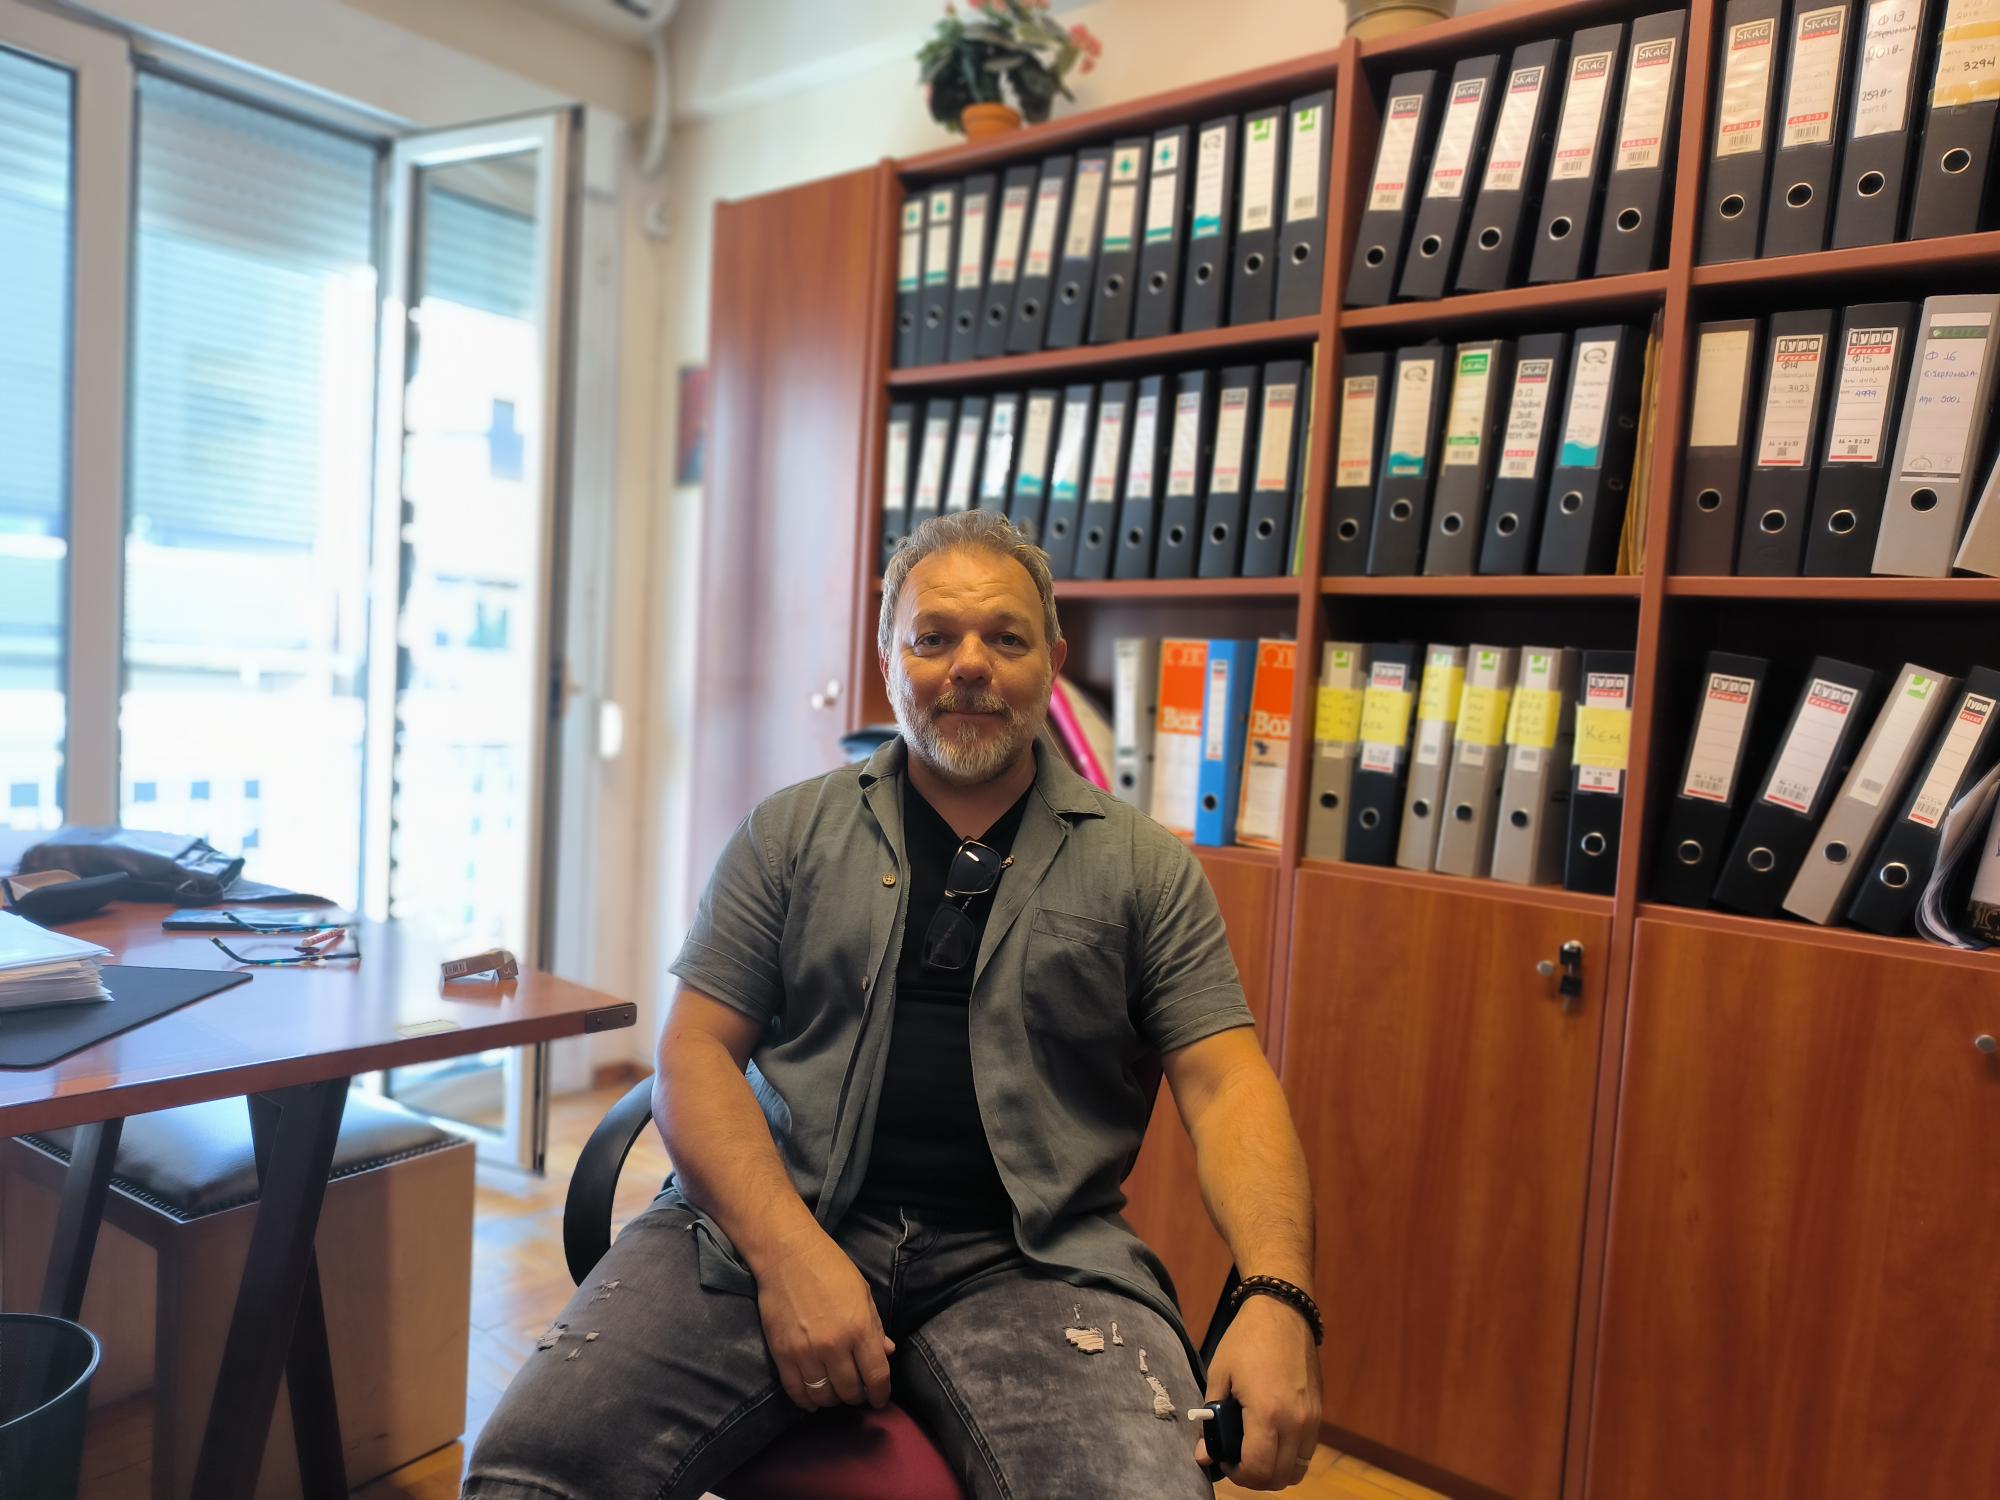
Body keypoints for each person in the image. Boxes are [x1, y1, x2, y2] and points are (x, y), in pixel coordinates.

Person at [464, 511, 1321, 1500]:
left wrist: (1275, 1293)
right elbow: (693, 1051)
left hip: (1037, 1265)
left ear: (1052, 662)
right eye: (933, 638)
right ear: (887, 662)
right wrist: (789, 1254)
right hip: (771, 1216)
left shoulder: (1144, 868)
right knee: (529, 1472)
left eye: (1005, 638)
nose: (970, 665)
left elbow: (1225, 1084)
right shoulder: (789, 833)